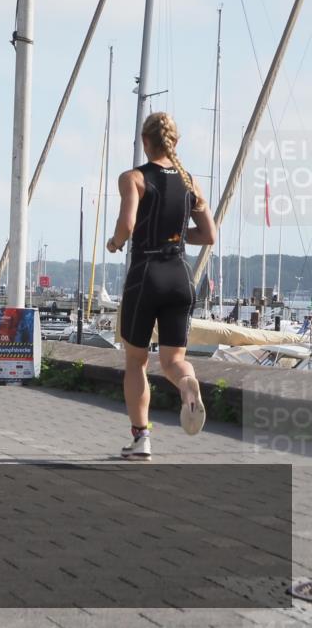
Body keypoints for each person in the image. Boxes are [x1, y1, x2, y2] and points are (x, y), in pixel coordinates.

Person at [106, 112, 216, 461]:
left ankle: (141, 439)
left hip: (147, 273)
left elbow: (127, 223)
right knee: (174, 361)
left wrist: (114, 242)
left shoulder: (134, 178)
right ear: (175, 143)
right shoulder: (190, 183)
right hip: (181, 276)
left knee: (137, 361)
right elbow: (209, 235)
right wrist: (182, 236)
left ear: (145, 141)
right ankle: (187, 387)